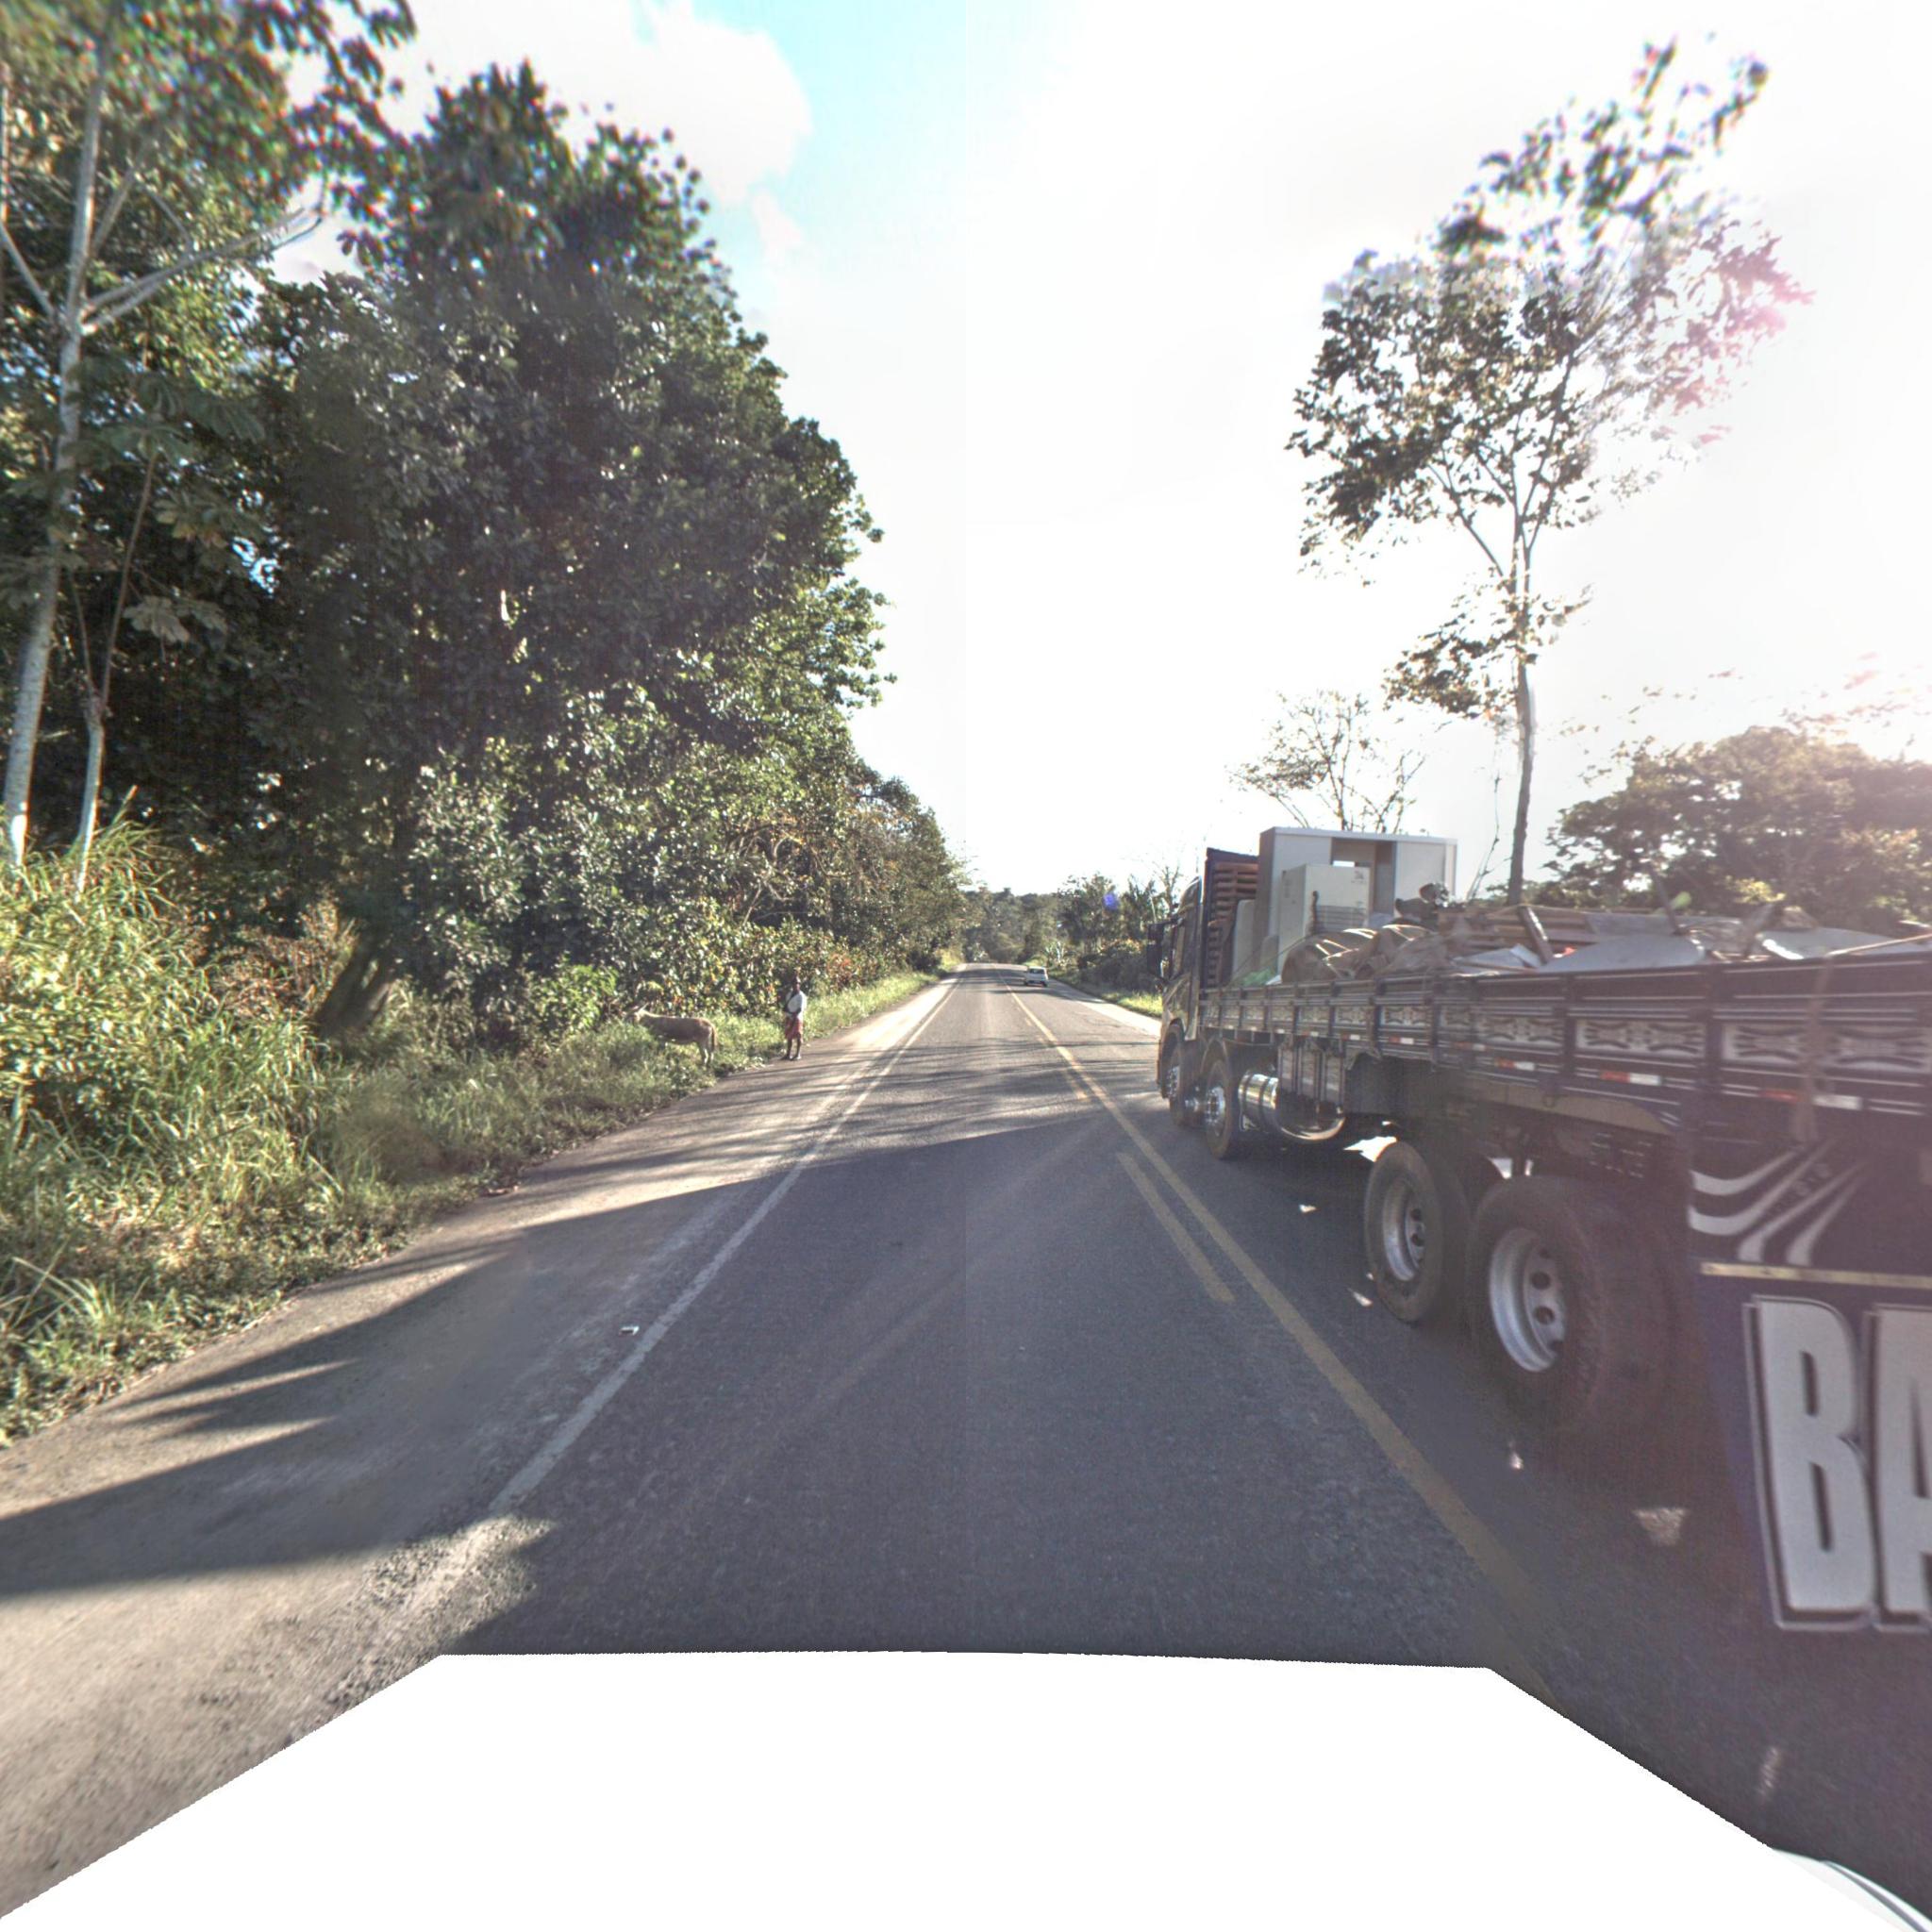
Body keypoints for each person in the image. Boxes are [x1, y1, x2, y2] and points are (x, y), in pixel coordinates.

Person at [781, 977, 808, 1059]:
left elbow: (800, 1008)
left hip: (797, 1017)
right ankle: (788, 1054)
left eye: (797, 983)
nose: (795, 985)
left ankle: (798, 1054)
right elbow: (786, 1005)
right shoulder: (789, 995)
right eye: (794, 983)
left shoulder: (801, 996)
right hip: (789, 1017)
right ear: (792, 985)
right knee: (789, 1036)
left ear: (799, 985)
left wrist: (794, 1015)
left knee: (798, 1035)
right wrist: (786, 1012)